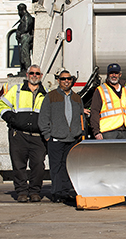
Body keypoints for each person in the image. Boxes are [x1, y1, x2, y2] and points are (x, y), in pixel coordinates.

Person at [0, 65, 47, 202]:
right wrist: (12, 119)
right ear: (27, 74)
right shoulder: (16, 90)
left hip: (38, 137)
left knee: (38, 165)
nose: (34, 75)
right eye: (32, 73)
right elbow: (3, 105)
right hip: (19, 135)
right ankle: (21, 192)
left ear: (41, 75)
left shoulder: (46, 93)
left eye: (37, 73)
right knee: (19, 165)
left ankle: (35, 191)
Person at [38, 70, 86, 202]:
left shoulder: (76, 98)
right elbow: (43, 118)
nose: (66, 81)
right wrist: (47, 135)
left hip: (72, 139)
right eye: (63, 79)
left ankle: (66, 192)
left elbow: (81, 118)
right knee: (56, 167)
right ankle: (57, 193)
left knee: (68, 166)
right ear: (58, 80)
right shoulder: (51, 96)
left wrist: (80, 134)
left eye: (69, 79)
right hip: (56, 138)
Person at [90, 63, 126, 139]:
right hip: (108, 131)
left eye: (116, 73)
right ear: (107, 74)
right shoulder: (100, 90)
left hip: (125, 131)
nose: (114, 75)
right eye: (111, 73)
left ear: (120, 75)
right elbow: (94, 112)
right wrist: (96, 132)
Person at [16, 4, 34, 76]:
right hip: (23, 37)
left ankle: (27, 68)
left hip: (26, 37)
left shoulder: (26, 17)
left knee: (25, 53)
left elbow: (26, 28)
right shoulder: (23, 17)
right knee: (22, 54)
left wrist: (19, 32)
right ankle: (24, 68)